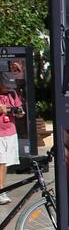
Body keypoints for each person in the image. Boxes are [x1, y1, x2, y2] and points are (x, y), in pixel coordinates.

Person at [0, 74, 23, 204]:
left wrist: (18, 112)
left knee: (5, 162)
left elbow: (19, 111)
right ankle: (1, 190)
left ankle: (2, 187)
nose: (8, 88)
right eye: (6, 85)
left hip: (10, 132)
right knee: (1, 161)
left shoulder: (12, 94)